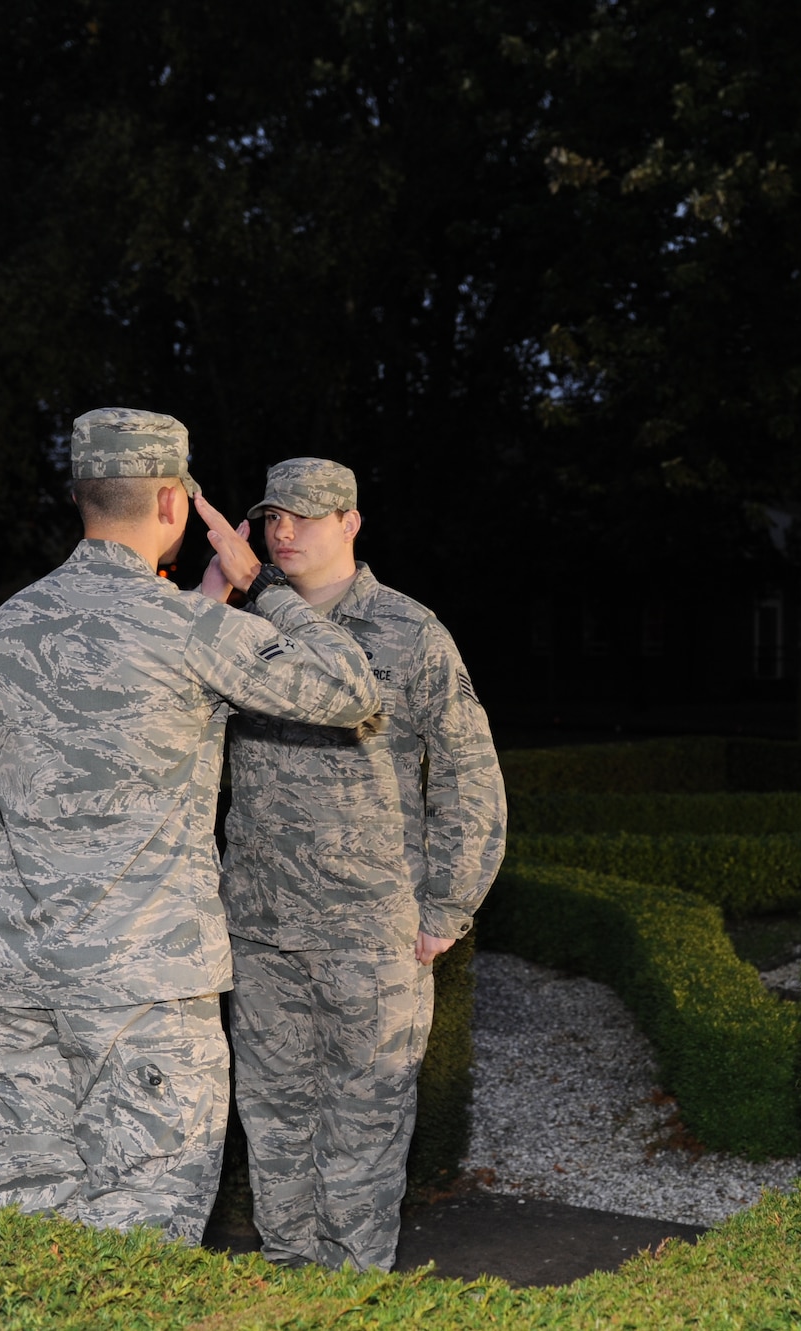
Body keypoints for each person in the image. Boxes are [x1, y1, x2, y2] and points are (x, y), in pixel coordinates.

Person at [0, 409, 380, 1245]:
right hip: (148, 1000)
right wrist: (263, 585)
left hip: (20, 995)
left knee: (32, 1243)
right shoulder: (194, 631)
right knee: (141, 1256)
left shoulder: (2, 631)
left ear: (81, 497)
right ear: (173, 503)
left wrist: (11, 943)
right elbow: (351, 688)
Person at [216, 457, 506, 1272]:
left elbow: (470, 773)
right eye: (273, 516)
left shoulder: (411, 632)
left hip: (371, 936)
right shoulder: (245, 630)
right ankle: (287, 1295)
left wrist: (447, 907)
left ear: (350, 522)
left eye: (305, 516)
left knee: (363, 1146)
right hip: (262, 932)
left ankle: (351, 1303)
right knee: (274, 1133)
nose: (284, 531)